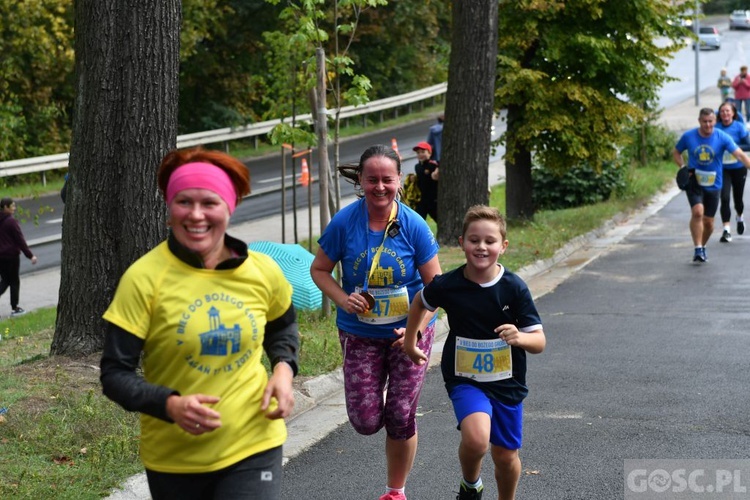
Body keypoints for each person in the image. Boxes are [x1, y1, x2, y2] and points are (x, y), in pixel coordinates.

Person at [100, 147, 299, 500]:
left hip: (254, 442)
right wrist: (169, 404)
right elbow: (115, 373)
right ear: (168, 210)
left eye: (209, 203)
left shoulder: (262, 271)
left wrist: (283, 369)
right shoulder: (143, 279)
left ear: (229, 208)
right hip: (174, 460)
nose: (196, 215)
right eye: (183, 202)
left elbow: (281, 326)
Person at [309, 144, 441, 500]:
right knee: (366, 421)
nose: (379, 187)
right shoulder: (344, 222)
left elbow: (436, 289)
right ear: (361, 182)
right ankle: (389, 414)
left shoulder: (413, 225)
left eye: (387, 180)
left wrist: (414, 329)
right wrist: (342, 298)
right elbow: (319, 269)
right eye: (372, 180)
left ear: (399, 181)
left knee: (399, 415)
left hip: (409, 336)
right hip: (360, 334)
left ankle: (395, 492)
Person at [402, 205, 546, 500]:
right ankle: (470, 484)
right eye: (474, 240)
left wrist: (519, 337)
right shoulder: (449, 284)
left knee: (505, 456)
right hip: (465, 378)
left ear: (503, 246)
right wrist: (410, 339)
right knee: (477, 439)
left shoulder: (514, 288)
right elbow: (420, 301)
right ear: (462, 242)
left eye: (490, 241)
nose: (481, 247)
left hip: (507, 382)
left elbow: (539, 341)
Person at [672, 108, 750, 263]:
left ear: (714, 121)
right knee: (698, 212)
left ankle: (702, 245)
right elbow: (676, 152)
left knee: (709, 222)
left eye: (710, 121)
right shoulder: (689, 136)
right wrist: (683, 167)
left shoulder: (722, 137)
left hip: (714, 183)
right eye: (704, 122)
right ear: (699, 121)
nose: (708, 125)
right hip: (694, 181)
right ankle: (698, 249)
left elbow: (740, 154)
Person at [715, 101, 750, 243]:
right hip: (722, 168)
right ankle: (726, 230)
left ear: (733, 113)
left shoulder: (739, 127)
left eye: (728, 111)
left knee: (738, 199)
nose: (725, 114)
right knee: (724, 198)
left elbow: (748, 144)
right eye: (722, 111)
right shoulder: (716, 128)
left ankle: (740, 217)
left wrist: (732, 147)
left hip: (738, 167)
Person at [0, 197, 37, 316]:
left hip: (1, 257)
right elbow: (20, 240)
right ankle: (15, 308)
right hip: (11, 256)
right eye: (12, 206)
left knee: (5, 281)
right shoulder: (11, 221)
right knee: (14, 281)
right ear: (5, 207)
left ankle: (15, 307)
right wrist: (30, 255)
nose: (14, 208)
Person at [412, 141, 439, 223]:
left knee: (438, 219)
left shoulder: (433, 165)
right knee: (417, 220)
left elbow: (436, 176)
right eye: (418, 153)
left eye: (423, 152)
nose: (420, 154)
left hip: (433, 199)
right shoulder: (417, 167)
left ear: (430, 153)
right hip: (422, 199)